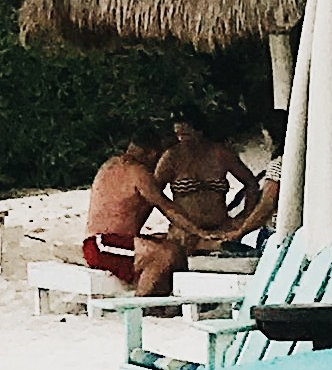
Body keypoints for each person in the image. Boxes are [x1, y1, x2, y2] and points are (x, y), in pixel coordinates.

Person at [154, 112, 275, 262]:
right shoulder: (171, 157)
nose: (182, 139)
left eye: (186, 134)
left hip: (221, 227)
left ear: (199, 131)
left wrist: (243, 217)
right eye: (178, 135)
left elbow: (250, 183)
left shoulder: (220, 154)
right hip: (185, 232)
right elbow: (155, 195)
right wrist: (177, 219)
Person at [78, 138, 186, 299]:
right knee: (163, 254)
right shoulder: (138, 172)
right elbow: (166, 207)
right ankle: (138, 305)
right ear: (152, 154)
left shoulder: (112, 164)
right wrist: (199, 230)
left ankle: (167, 301)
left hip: (112, 243)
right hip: (102, 244)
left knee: (173, 249)